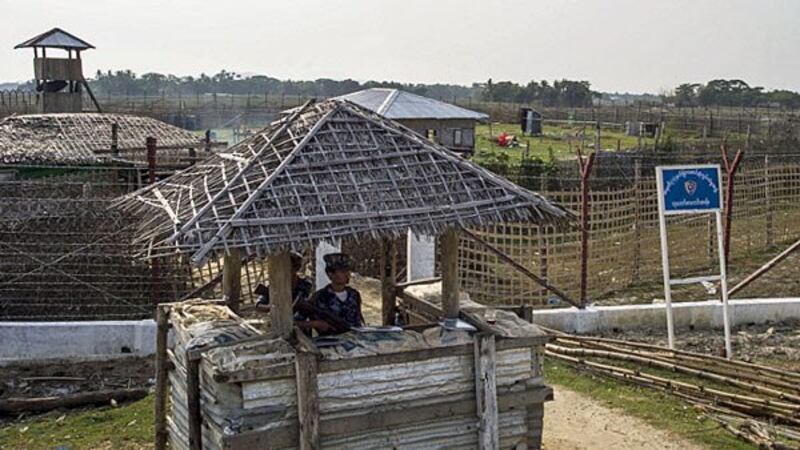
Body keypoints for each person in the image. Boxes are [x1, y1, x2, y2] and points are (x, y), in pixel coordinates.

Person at [296, 252, 364, 336]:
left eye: (348, 271)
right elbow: (296, 323)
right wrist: (316, 324)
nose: (347, 274)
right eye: (342, 271)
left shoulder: (354, 295)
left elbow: (358, 323)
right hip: (329, 344)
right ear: (330, 274)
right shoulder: (319, 297)